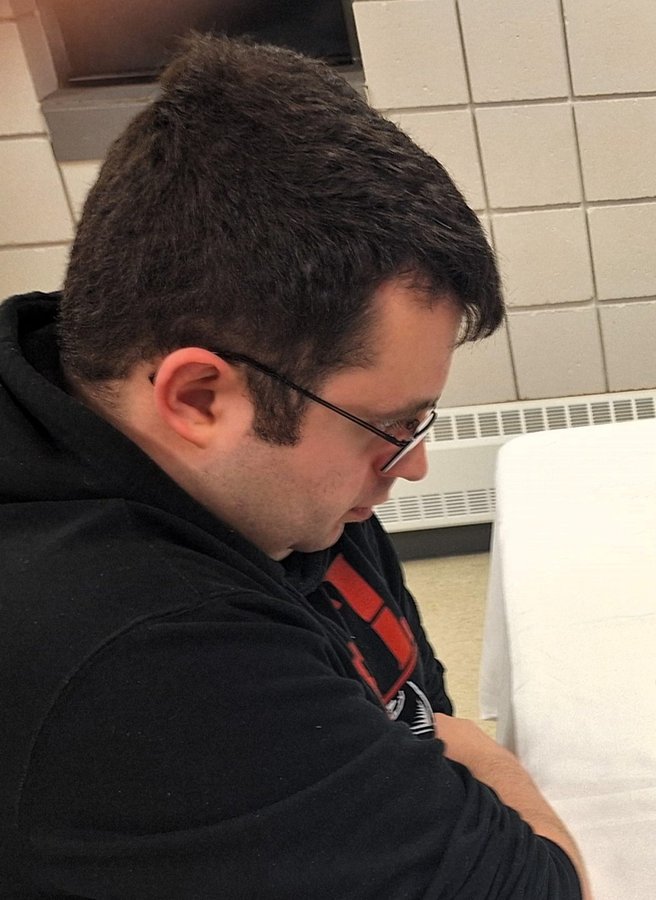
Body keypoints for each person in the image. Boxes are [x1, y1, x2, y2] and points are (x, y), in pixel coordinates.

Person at [0, 36, 588, 897]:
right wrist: (477, 757)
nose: (414, 465)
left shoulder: (236, 462)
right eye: (388, 426)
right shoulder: (147, 661)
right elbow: (540, 885)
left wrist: (444, 751)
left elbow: (417, 713)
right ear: (199, 396)